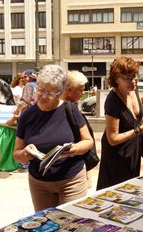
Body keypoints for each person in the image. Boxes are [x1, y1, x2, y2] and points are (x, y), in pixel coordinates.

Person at [13, 65, 93, 211]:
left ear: (61, 92)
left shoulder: (71, 109)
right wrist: (25, 154)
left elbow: (88, 141)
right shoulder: (27, 115)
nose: (44, 96)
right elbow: (16, 154)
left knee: (72, 224)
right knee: (46, 225)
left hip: (71, 180)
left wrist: (74, 149)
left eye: (51, 92)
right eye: (41, 89)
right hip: (40, 183)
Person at [96, 57, 143, 190]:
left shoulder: (132, 89)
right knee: (116, 193)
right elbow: (112, 139)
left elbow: (130, 108)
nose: (133, 81)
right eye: (128, 78)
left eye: (135, 77)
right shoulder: (112, 101)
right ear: (117, 78)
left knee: (132, 188)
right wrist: (139, 129)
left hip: (133, 149)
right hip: (117, 156)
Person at [61, 70, 95, 188]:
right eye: (80, 89)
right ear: (69, 90)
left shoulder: (72, 106)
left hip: (79, 160)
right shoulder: (67, 108)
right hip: (71, 166)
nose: (83, 93)